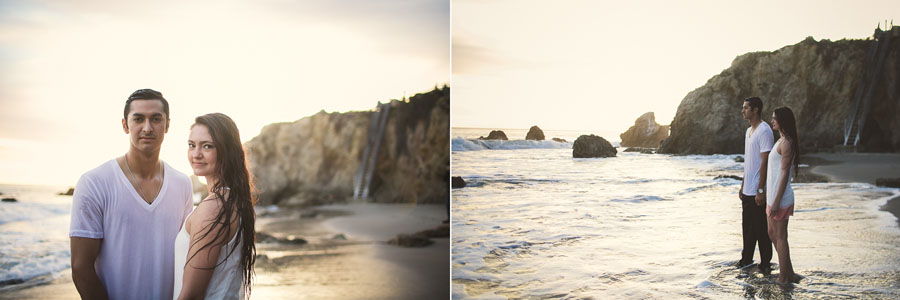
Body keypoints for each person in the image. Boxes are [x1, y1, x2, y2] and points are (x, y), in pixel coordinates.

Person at [70, 89, 193, 299]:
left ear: (168, 125)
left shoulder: (183, 184)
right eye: (138, 119)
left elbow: (186, 258)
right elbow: (81, 268)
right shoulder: (94, 182)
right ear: (125, 125)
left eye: (156, 119)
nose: (147, 128)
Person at [174, 113, 256, 299]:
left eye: (207, 146)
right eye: (191, 145)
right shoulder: (232, 201)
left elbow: (191, 294)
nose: (196, 154)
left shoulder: (214, 208)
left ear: (226, 150)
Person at [737, 96, 773, 274]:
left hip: (759, 190)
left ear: (755, 110)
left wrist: (761, 190)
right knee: (747, 228)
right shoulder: (748, 131)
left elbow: (765, 162)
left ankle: (766, 264)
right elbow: (748, 160)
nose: (743, 110)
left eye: (746, 108)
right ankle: (746, 260)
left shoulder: (764, 131)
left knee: (761, 230)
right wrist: (743, 184)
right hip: (748, 189)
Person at [767, 107, 802, 284]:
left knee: (781, 237)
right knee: (772, 234)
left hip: (780, 198)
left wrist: (776, 202)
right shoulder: (780, 141)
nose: (772, 121)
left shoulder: (787, 143)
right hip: (772, 197)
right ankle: (789, 273)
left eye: (774, 119)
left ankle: (784, 278)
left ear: (782, 121)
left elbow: (783, 174)